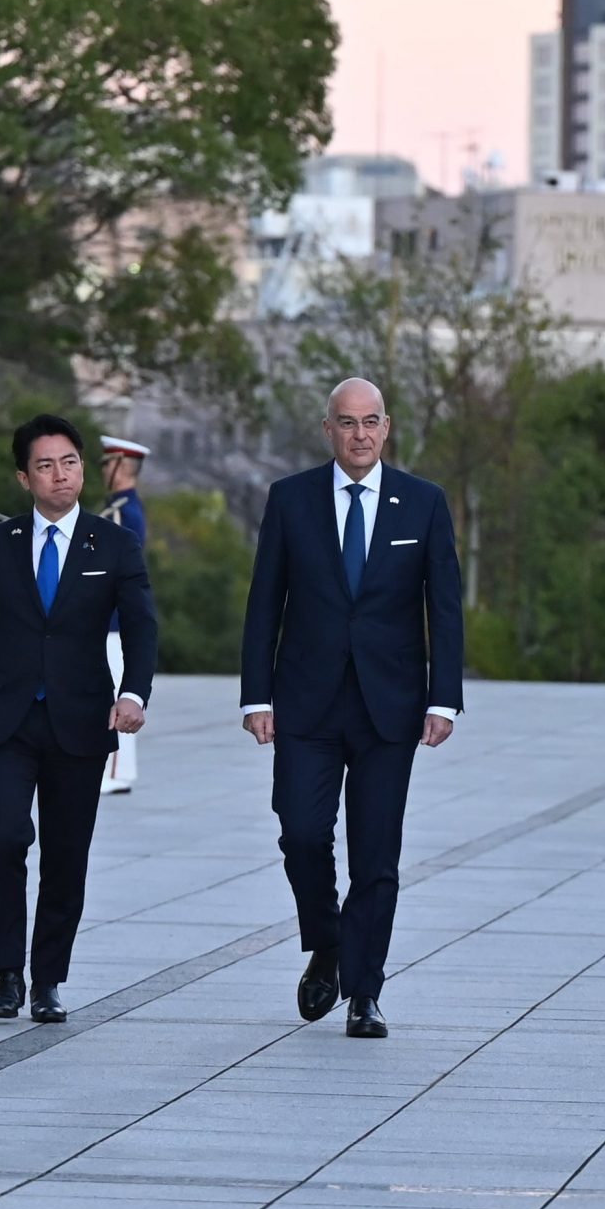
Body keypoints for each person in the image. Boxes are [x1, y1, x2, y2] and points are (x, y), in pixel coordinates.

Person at [239, 377, 463, 1039]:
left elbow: (443, 608)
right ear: (327, 428)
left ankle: (364, 990)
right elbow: (263, 604)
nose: (360, 434)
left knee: (376, 854)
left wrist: (443, 697)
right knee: (302, 832)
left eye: (370, 422)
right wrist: (257, 695)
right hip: (305, 701)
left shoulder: (422, 503)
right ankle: (329, 940)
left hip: (389, 707)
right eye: (347, 422)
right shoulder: (291, 500)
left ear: (386, 427)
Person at [0, 413, 156, 1024]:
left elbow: (142, 626)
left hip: (80, 720)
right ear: (24, 477)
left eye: (69, 462)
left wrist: (134, 694)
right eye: (45, 465)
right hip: (7, 720)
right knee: (5, 836)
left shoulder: (113, 543)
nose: (59, 475)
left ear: (83, 469)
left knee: (68, 854)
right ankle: (6, 972)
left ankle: (48, 979)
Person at [96, 435, 149, 796]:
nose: (101, 471)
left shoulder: (121, 513)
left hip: (112, 620)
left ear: (118, 467)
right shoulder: (118, 510)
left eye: (104, 464)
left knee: (116, 695)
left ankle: (114, 772)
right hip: (110, 621)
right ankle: (117, 771)